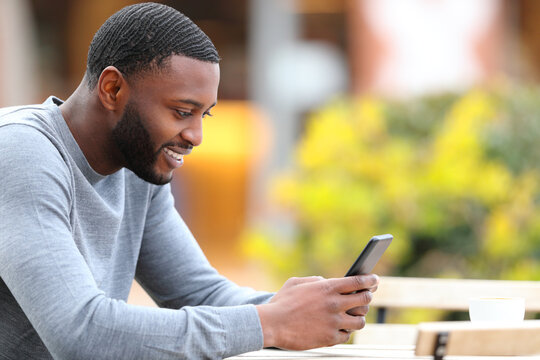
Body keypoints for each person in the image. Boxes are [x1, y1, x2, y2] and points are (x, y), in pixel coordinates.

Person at [0, 3, 379, 359]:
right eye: (182, 112)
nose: (195, 136)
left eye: (204, 115)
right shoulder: (20, 153)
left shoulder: (138, 165)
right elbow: (80, 333)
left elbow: (198, 293)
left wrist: (298, 308)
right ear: (113, 89)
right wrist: (270, 323)